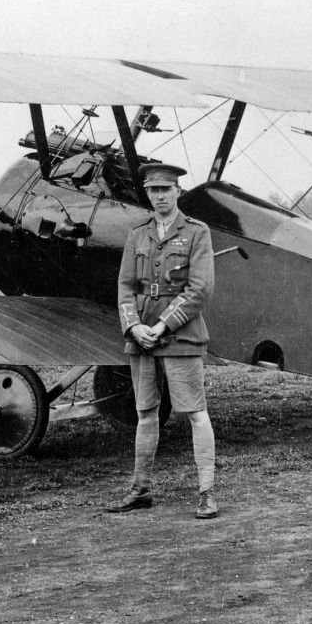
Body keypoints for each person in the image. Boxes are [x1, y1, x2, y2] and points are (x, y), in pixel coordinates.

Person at [106, 162, 219, 519]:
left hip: (181, 336)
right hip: (142, 338)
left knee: (196, 414)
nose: (159, 197)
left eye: (165, 190)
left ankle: (206, 492)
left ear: (177, 192)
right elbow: (125, 287)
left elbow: (200, 289)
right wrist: (134, 327)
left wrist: (164, 326)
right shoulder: (137, 233)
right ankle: (140, 489)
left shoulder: (197, 232)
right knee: (145, 414)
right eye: (153, 191)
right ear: (148, 194)